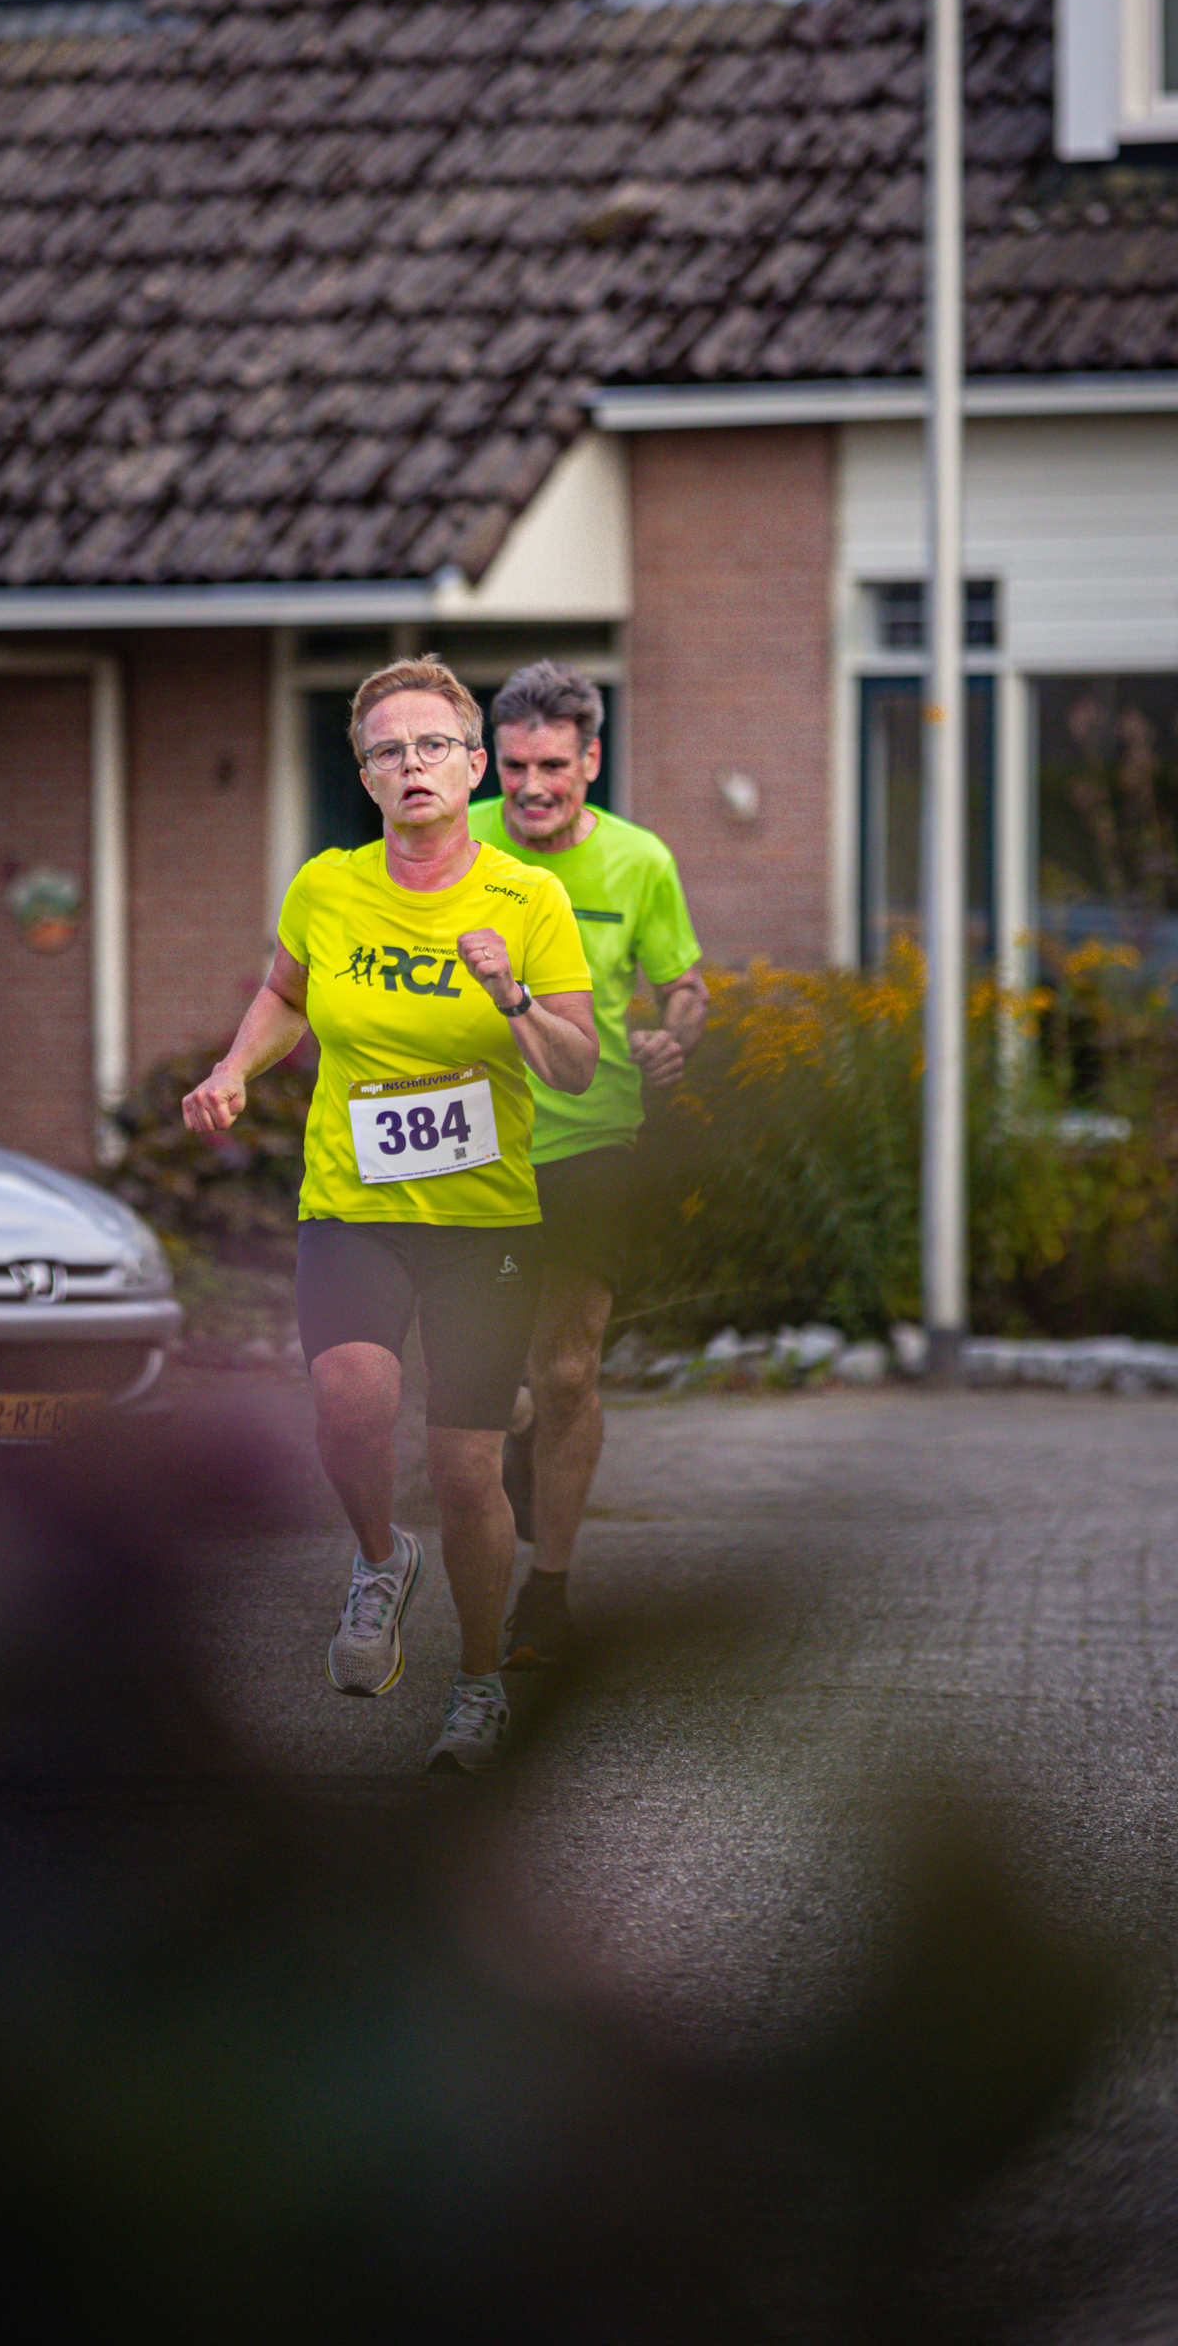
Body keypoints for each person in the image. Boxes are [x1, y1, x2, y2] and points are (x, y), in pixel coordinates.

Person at [182, 654, 596, 1774]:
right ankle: (377, 1557)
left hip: (482, 1223)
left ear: (473, 766)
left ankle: (475, 1685)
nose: (408, 767)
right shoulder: (325, 887)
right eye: (383, 752)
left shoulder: (529, 900)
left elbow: (572, 1066)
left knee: (466, 1470)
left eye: (429, 747)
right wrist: (236, 1068)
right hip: (351, 1202)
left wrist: (511, 996)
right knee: (347, 1403)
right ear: (362, 777)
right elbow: (284, 992)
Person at [466, 660, 706, 1669]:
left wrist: (670, 1035)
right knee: (472, 1381)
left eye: (551, 765)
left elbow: (684, 983)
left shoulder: (638, 862)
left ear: (589, 760)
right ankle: (509, 1418)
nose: (530, 786)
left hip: (589, 1140)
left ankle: (547, 1595)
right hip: (463, 1142)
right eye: (513, 765)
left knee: (565, 1371)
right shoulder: (449, 841)